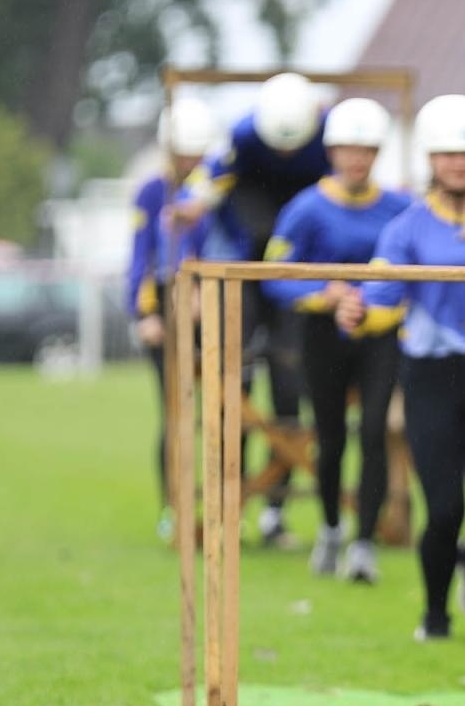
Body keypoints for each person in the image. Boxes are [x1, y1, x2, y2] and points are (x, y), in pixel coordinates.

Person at [337, 94, 465, 639]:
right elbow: (380, 304)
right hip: (430, 378)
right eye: (448, 154)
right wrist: (355, 313)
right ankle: (434, 615)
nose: (459, 163)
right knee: (444, 508)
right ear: (430, 158)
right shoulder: (405, 229)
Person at [174, 72, 332, 547]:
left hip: (292, 273)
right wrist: (191, 205)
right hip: (242, 265)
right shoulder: (242, 135)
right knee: (234, 392)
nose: (284, 155)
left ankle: (275, 513)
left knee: (288, 389)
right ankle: (229, 507)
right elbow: (207, 178)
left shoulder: (330, 138)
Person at [263, 97, 413, 584]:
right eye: (348, 149)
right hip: (322, 334)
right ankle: (330, 527)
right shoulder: (305, 208)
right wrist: (323, 294)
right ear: (331, 151)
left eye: (367, 149)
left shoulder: (399, 206)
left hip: (379, 333)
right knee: (328, 437)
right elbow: (273, 275)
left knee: (374, 432)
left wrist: (375, 298)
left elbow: (415, 263)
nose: (357, 159)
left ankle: (364, 543)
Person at [127, 97, 214, 542]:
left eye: (196, 153)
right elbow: (140, 254)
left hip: (213, 302)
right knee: (175, 412)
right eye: (183, 152)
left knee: (225, 409)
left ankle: (225, 505)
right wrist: (145, 314)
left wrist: (204, 289)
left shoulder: (214, 190)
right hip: (164, 306)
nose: (189, 161)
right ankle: (172, 504)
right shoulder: (151, 192)